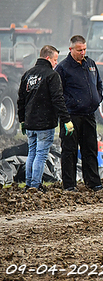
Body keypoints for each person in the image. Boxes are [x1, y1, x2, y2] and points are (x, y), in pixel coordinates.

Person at [17, 45, 74, 191]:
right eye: (55, 60)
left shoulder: (28, 75)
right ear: (48, 58)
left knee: (32, 153)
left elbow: (21, 100)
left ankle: (29, 184)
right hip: (45, 123)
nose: (56, 63)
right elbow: (58, 99)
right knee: (41, 155)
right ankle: (35, 185)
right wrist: (66, 119)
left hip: (30, 123)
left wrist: (22, 120)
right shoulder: (51, 76)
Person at [55, 35, 103, 192]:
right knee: (69, 151)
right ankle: (69, 185)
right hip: (71, 116)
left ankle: (93, 182)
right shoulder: (62, 68)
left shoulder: (90, 64)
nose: (82, 52)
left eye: (84, 49)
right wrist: (71, 105)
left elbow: (99, 84)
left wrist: (97, 99)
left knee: (90, 149)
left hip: (89, 114)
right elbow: (58, 93)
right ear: (71, 49)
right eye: (79, 50)